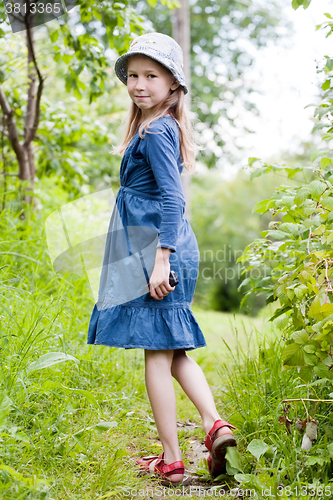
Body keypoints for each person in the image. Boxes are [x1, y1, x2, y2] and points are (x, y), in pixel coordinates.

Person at [87, 32, 237, 486]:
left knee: (156, 351)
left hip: (160, 250)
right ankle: (215, 425)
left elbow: (173, 200)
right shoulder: (158, 127)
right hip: (160, 247)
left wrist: (160, 261)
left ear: (173, 83)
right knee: (172, 350)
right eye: (133, 75)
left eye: (151, 75)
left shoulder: (155, 131)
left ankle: (172, 459)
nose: (139, 84)